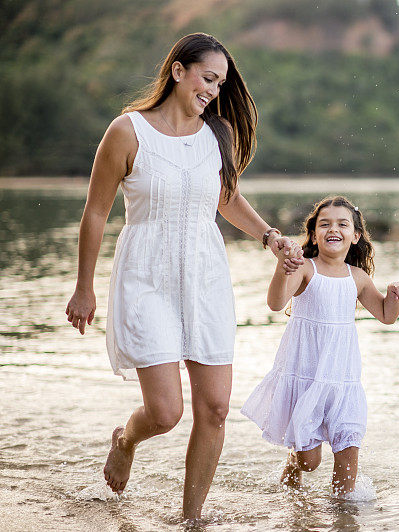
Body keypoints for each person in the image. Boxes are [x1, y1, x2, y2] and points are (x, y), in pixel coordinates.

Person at [64, 33, 303, 520]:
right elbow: (95, 213)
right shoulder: (127, 132)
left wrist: (269, 237)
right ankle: (127, 438)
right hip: (146, 278)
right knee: (166, 413)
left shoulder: (217, 135)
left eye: (220, 83)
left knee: (214, 410)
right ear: (178, 71)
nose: (214, 91)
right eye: (208, 78)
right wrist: (84, 287)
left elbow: (226, 198)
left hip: (206, 277)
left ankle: (191, 520)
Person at [241, 196, 399, 497]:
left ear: (355, 235)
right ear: (314, 234)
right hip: (308, 378)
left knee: (347, 466)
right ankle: (293, 466)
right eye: (325, 224)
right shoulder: (305, 269)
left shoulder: (357, 277)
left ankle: (345, 516)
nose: (333, 228)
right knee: (310, 462)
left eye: (342, 224)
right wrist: (283, 268)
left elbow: (386, 316)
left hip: (344, 382)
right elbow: (275, 303)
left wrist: (394, 296)